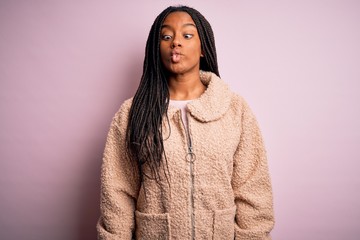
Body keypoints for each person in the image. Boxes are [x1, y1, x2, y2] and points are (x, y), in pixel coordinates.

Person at [97, 5, 274, 240]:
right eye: (166, 36)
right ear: (156, 48)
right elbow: (116, 193)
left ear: (203, 48)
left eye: (187, 35)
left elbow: (253, 190)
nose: (175, 43)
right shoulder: (132, 112)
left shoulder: (234, 109)